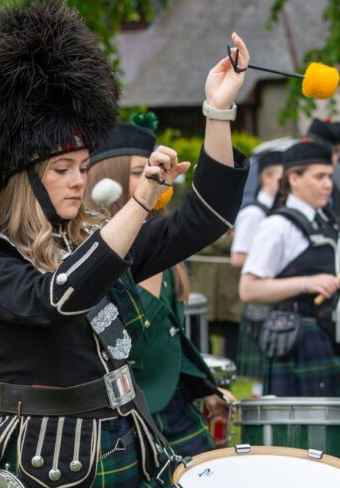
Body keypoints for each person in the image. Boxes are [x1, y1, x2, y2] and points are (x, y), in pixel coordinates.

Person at [0, 4, 251, 488]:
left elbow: (207, 218)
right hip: (52, 470)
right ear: (21, 177)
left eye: (82, 164)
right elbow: (59, 297)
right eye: (62, 169)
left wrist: (216, 113)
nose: (79, 180)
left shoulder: (87, 242)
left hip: (132, 449)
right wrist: (140, 201)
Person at [85, 119, 232, 460]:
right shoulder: (92, 252)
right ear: (108, 178)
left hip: (176, 409)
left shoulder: (164, 249)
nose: (154, 177)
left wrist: (204, 389)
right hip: (121, 418)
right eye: (140, 171)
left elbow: (170, 337)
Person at [239, 139, 340, 397]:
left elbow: (335, 282)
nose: (328, 184)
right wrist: (306, 283)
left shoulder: (326, 220)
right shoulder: (278, 226)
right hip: (299, 339)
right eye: (320, 177)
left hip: (333, 337)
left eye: (329, 176)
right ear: (293, 178)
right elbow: (248, 289)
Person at [231, 151, 283, 381]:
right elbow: (238, 258)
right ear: (265, 178)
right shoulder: (253, 213)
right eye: (281, 179)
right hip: (256, 303)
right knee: (259, 379)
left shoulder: (275, 211)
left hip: (269, 298)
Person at [307, 117, 340, 230]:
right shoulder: (289, 190)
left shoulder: (336, 193)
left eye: (338, 151)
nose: (335, 159)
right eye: (332, 151)